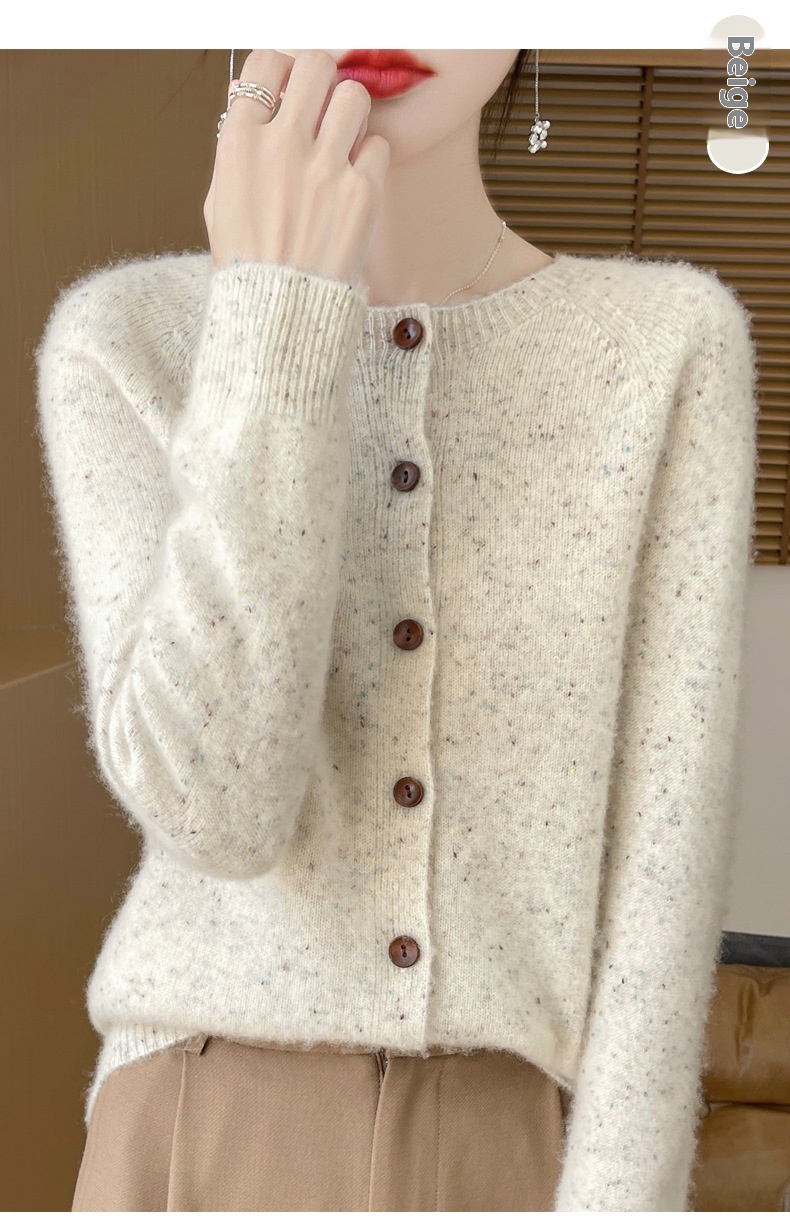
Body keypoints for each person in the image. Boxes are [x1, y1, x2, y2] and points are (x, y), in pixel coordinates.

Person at [34, 49, 758, 1212]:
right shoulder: (126, 338)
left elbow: (664, 862)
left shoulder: (666, 343)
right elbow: (216, 809)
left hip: (504, 1144)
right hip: (186, 1133)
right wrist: (276, 315)